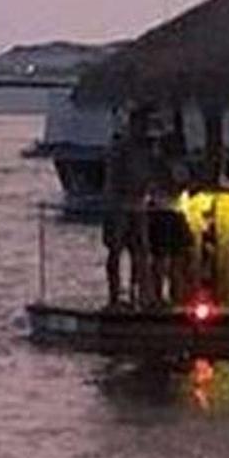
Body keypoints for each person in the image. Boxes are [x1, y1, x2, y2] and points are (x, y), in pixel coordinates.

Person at [102, 109, 157, 308]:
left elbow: (150, 174)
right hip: (118, 205)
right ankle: (115, 294)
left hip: (138, 204)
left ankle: (138, 292)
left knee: (141, 250)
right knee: (116, 249)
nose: (143, 130)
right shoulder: (120, 148)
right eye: (141, 125)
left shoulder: (146, 149)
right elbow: (114, 177)